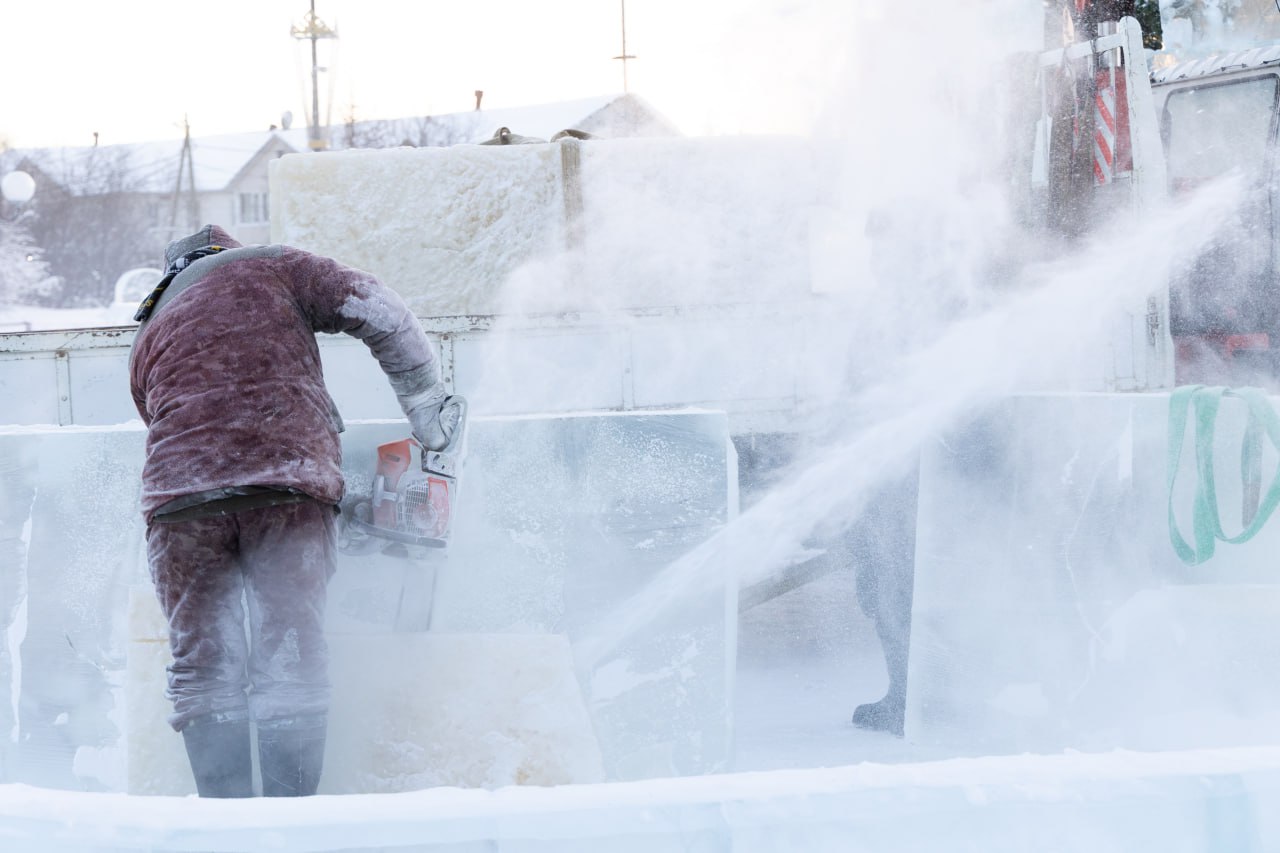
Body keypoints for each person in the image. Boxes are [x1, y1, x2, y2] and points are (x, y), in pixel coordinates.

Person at [129, 224, 451, 797]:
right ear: (230, 250)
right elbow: (381, 309)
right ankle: (289, 827)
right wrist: (426, 403)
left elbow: (187, 431)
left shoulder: (150, 331)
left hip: (179, 510)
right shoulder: (274, 266)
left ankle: (228, 829)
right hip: (285, 491)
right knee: (290, 658)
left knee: (204, 669)